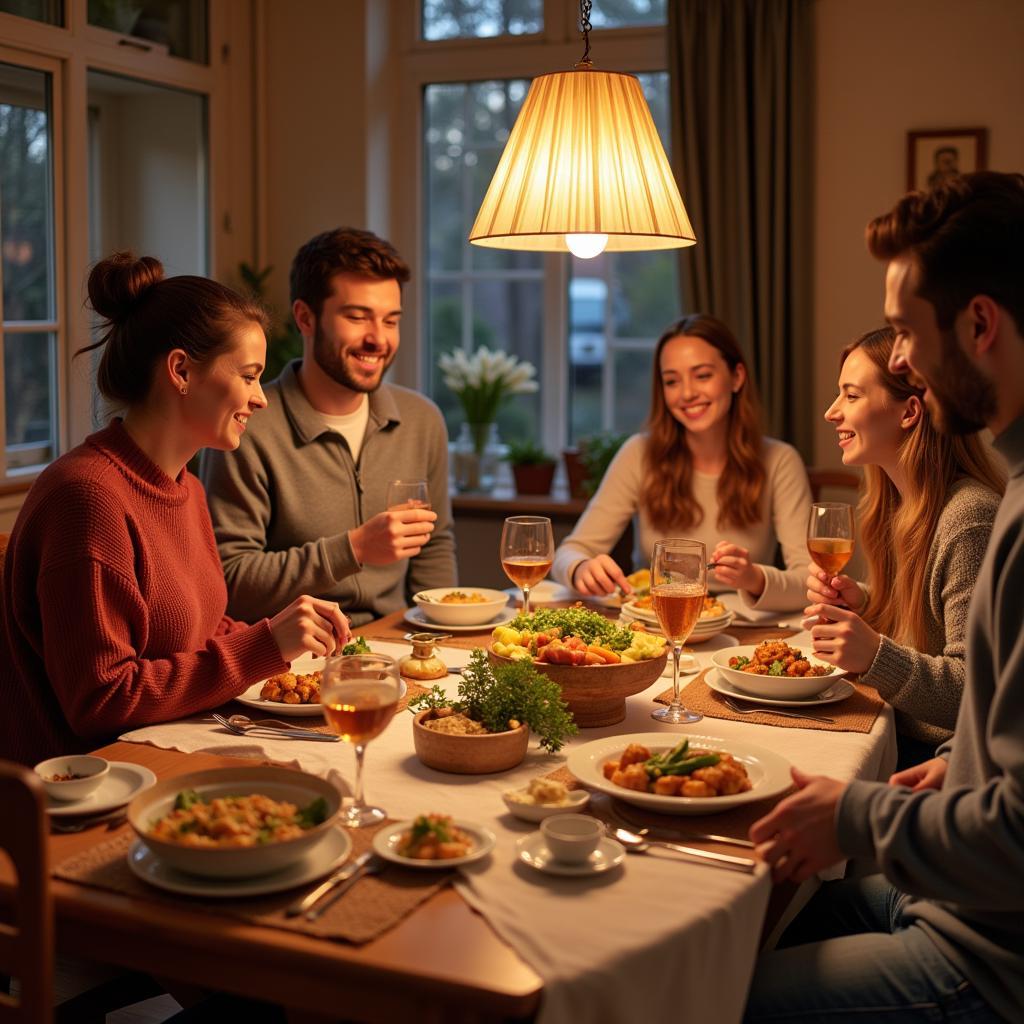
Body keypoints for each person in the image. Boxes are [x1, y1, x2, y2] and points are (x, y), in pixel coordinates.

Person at [744, 171, 1024, 1023]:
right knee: (761, 920)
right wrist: (964, 766)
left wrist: (858, 817)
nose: (899, 359)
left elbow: (1016, 840)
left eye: (904, 332)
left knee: (709, 996)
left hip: (988, 955)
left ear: (978, 325)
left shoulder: (995, 516)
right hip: (955, 899)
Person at [0, 253, 351, 766]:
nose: (262, 399)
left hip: (165, 746)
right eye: (250, 376)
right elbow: (99, 701)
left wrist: (278, 634)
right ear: (181, 370)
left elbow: (193, 631)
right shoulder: (87, 499)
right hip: (91, 790)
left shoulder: (184, 486)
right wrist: (262, 647)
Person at [201, 228, 456, 627]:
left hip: (397, 645)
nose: (378, 339)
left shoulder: (422, 420)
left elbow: (434, 547)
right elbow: (228, 582)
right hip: (291, 662)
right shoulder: (244, 427)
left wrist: (441, 639)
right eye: (357, 317)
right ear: (305, 317)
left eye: (391, 321)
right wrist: (352, 549)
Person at [807, 326, 1003, 769]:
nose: (830, 412)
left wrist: (876, 656)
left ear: (909, 412)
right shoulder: (898, 505)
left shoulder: (969, 518)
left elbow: (977, 690)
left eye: (851, 396)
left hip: (943, 762)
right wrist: (867, 604)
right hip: (899, 731)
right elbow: (927, 633)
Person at [551, 314, 811, 612]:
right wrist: (581, 568)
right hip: (655, 625)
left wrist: (754, 578)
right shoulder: (639, 453)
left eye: (702, 375)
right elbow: (568, 553)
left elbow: (810, 582)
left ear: (737, 377)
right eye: (672, 381)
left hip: (740, 633)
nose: (687, 393)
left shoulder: (780, 461)